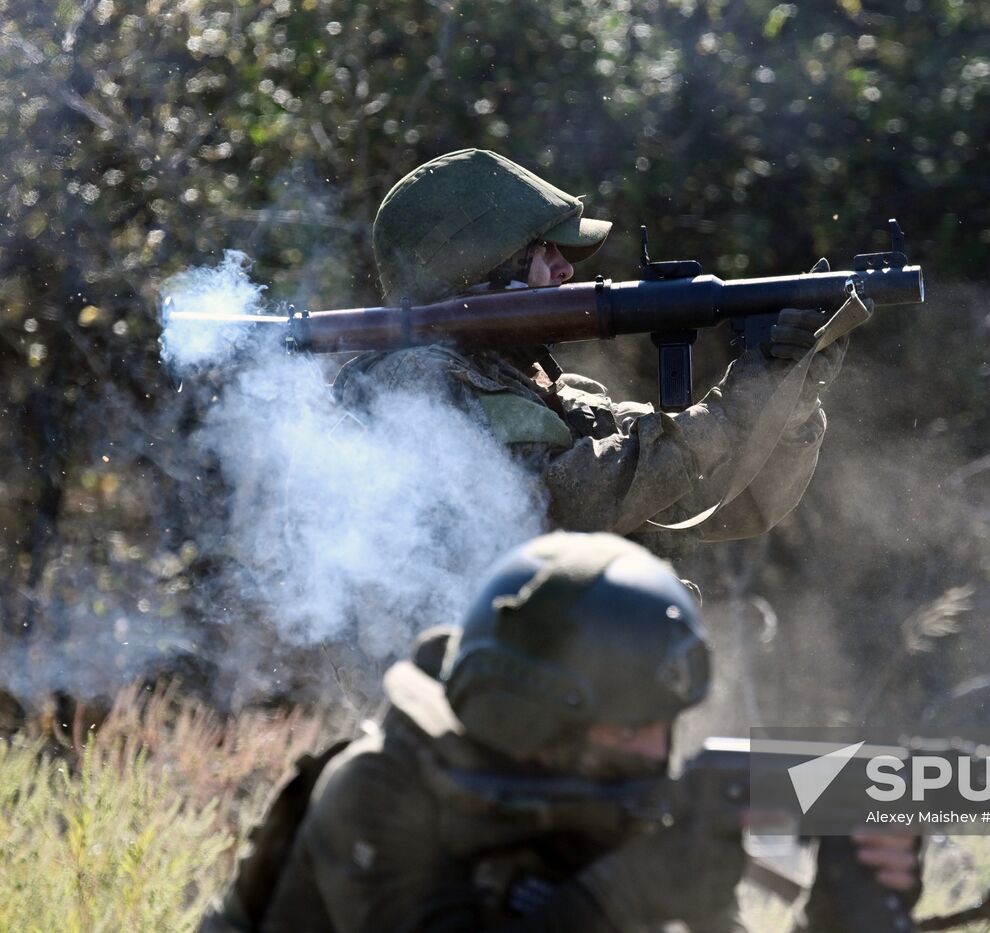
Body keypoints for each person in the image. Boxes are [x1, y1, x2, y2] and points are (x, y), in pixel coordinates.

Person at [207, 532, 916, 931]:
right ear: (536, 722)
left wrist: (836, 910)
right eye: (631, 727)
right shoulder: (381, 790)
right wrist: (627, 892)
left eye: (664, 725)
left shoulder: (625, 814)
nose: (654, 753)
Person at [335, 149, 848, 556]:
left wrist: (788, 402)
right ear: (487, 270)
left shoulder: (553, 393)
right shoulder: (414, 381)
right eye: (545, 252)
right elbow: (566, 503)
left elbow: (718, 504)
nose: (566, 272)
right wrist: (730, 413)